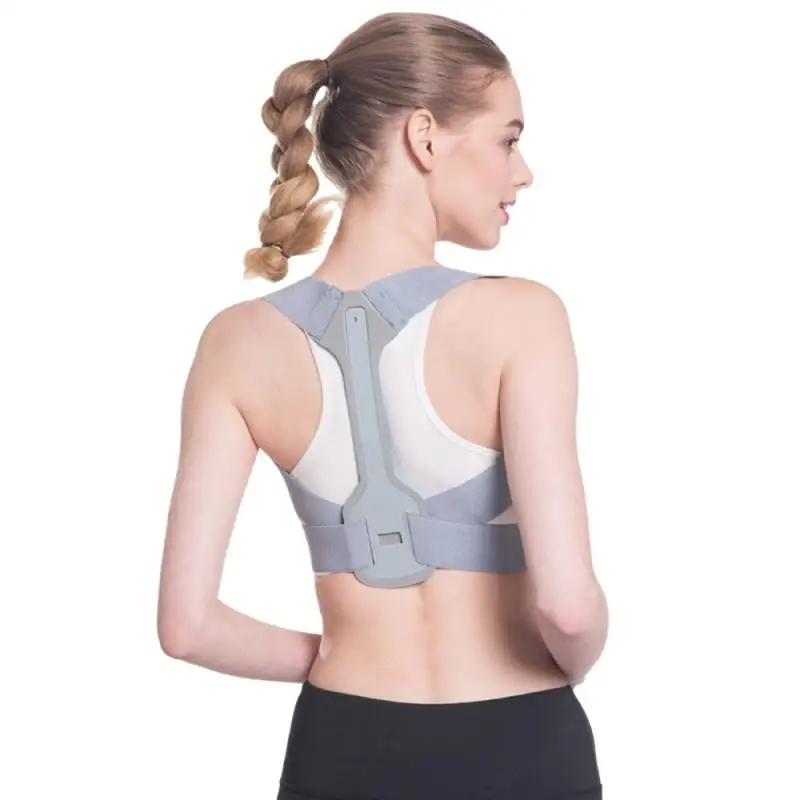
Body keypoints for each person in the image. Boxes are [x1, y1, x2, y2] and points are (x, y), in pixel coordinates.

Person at [157, 11, 609, 799]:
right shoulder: (522, 317)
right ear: (425, 137)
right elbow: (567, 608)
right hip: (519, 740)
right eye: (508, 139)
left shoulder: (235, 342)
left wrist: (338, 660)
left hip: (341, 744)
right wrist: (571, 664)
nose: (523, 172)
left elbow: (186, 627)